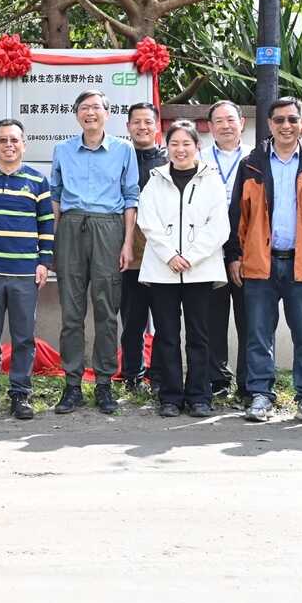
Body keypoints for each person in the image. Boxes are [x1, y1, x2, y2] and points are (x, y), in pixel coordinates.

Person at [225, 97, 302, 424]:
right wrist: (235, 255)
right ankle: (260, 395)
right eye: (280, 120)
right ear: (270, 124)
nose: (286, 126)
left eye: (292, 119)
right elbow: (238, 214)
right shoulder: (252, 164)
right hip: (260, 262)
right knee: (258, 335)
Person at [49, 90, 139, 414]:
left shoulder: (124, 150)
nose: (90, 113)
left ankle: (104, 384)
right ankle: (72, 384)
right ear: (76, 114)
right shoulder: (62, 150)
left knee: (106, 310)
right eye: (84, 108)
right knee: (71, 313)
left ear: (107, 114)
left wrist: (127, 243)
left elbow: (131, 198)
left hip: (108, 229)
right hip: (71, 227)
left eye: (96, 107)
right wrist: (54, 241)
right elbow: (55, 196)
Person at [137, 120, 230, 417]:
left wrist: (191, 257)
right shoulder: (156, 180)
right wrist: (169, 256)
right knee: (167, 335)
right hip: (162, 270)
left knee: (199, 336)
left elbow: (219, 227)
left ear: (197, 147)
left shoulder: (212, 180)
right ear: (166, 148)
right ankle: (170, 397)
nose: (180, 149)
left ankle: (199, 396)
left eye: (186, 143)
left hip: (199, 270)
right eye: (174, 144)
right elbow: (147, 221)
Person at [0, 119, 54, 421]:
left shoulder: (38, 182)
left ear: (24, 145)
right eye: (2, 140)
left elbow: (46, 225)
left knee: (24, 337)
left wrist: (44, 262)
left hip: (25, 273)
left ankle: (20, 394)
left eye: (14, 140)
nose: (9, 145)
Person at [118, 102, 167, 388]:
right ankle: (132, 375)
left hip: (162, 254)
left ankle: (159, 375)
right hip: (130, 253)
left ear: (157, 125)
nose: (142, 127)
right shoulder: (119, 158)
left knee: (164, 320)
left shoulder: (169, 160)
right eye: (136, 122)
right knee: (132, 320)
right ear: (128, 127)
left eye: (148, 121)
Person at [205, 100, 249, 397]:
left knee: (250, 319)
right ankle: (217, 380)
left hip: (247, 248)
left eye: (230, 119)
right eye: (218, 121)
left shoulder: (256, 157)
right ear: (210, 127)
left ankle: (248, 383)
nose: (225, 125)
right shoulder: (199, 158)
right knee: (212, 319)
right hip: (209, 250)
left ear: (241, 123)